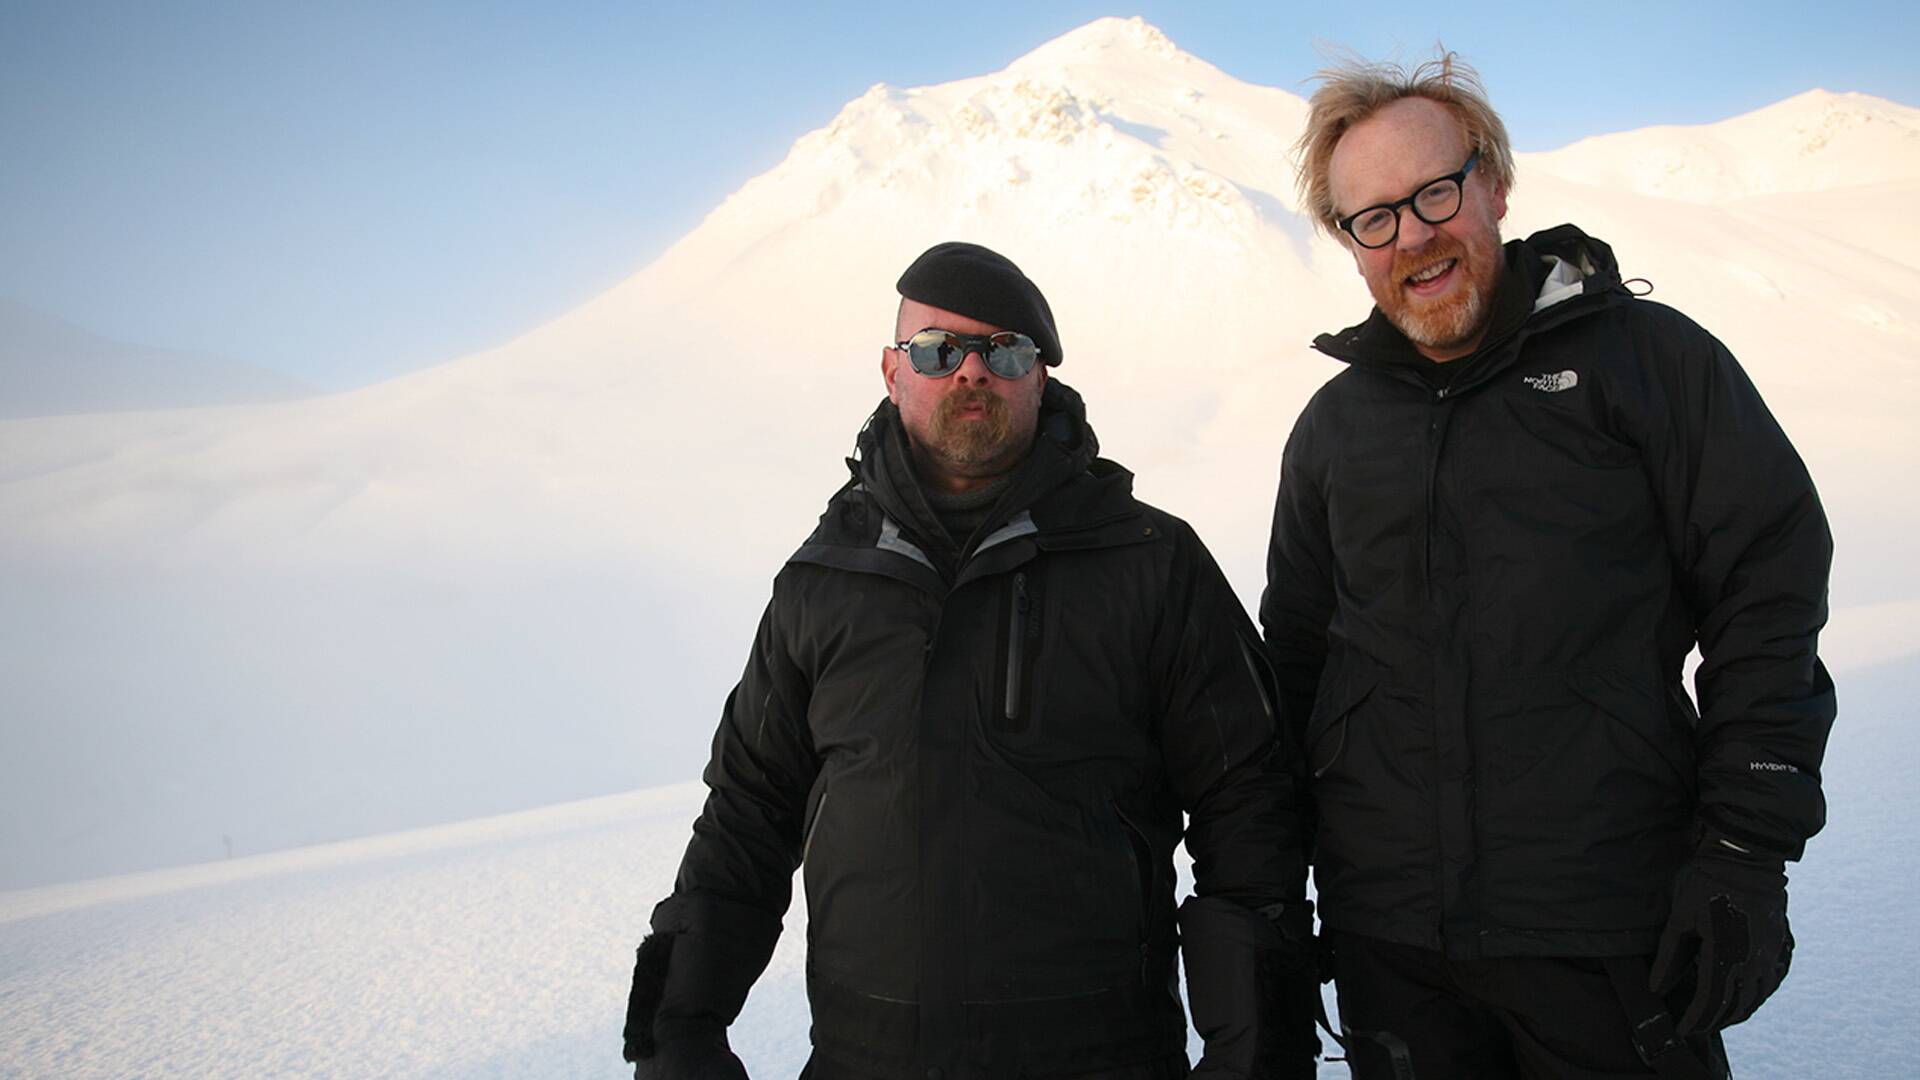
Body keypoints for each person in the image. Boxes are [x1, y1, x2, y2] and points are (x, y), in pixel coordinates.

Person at [1262, 53, 1836, 1079]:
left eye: (1434, 193)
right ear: (1348, 245)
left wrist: (1747, 851)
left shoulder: (1647, 364)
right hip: (1395, 950)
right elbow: (1298, 664)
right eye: (1373, 219)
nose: (1414, 236)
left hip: (1608, 927)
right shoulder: (1336, 427)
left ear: (1493, 184)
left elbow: (1768, 592)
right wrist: (1275, 895)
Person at [625, 241, 1319, 1079]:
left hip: (1102, 1056)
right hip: (862, 1057)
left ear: (1042, 379)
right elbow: (749, 809)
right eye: (937, 350)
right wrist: (678, 1026)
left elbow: (1246, 802)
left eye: (1005, 351)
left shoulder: (1150, 561)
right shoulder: (824, 580)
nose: (970, 372)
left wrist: (1260, 1048)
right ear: (891, 370)